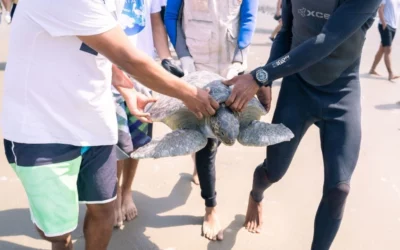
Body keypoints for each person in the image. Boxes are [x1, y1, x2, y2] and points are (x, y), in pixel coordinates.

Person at [1, 0, 219, 249]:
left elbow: (98, 43)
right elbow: (128, 57)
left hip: (95, 122)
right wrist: (190, 94)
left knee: (104, 209)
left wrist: (126, 88)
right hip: (42, 131)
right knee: (57, 232)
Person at [223, 0, 380, 249]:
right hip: (298, 89)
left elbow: (326, 40)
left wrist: (261, 75)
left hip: (342, 93)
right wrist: (267, 82)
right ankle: (256, 196)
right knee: (273, 171)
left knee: (339, 189)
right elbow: (286, 32)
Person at [165, 0, 258, 241]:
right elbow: (172, 16)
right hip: (195, 66)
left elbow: (248, 16)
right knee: (207, 144)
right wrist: (183, 57)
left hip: (227, 70)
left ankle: (199, 165)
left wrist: (239, 59)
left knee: (219, 136)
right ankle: (211, 207)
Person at [113, 0, 181, 227]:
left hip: (142, 71)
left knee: (138, 141)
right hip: (107, 69)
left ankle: (126, 191)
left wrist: (165, 59)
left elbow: (155, 21)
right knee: (115, 142)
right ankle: (112, 197)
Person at [369, 0, 400, 81]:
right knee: (388, 49)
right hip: (386, 25)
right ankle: (391, 73)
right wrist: (384, 24)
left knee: (382, 49)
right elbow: (380, 10)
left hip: (394, 26)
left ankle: (372, 69)